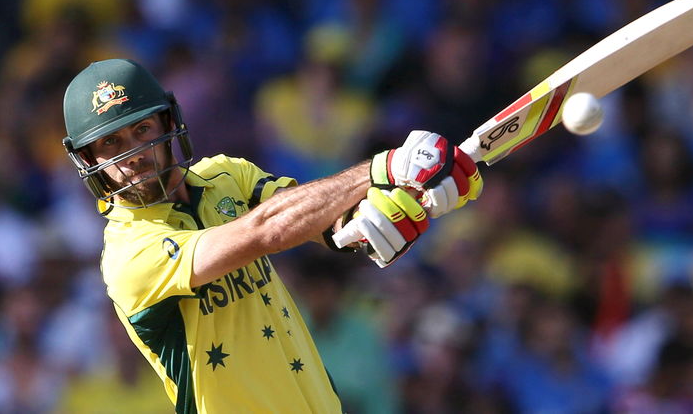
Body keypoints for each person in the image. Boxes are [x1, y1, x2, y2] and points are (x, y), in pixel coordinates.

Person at [60, 58, 483, 413]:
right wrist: (383, 167)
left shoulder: (228, 175)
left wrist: (395, 207)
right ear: (88, 159)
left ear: (169, 123)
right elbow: (266, 231)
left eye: (141, 130)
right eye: (111, 144)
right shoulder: (128, 252)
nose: (132, 155)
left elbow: (325, 223)